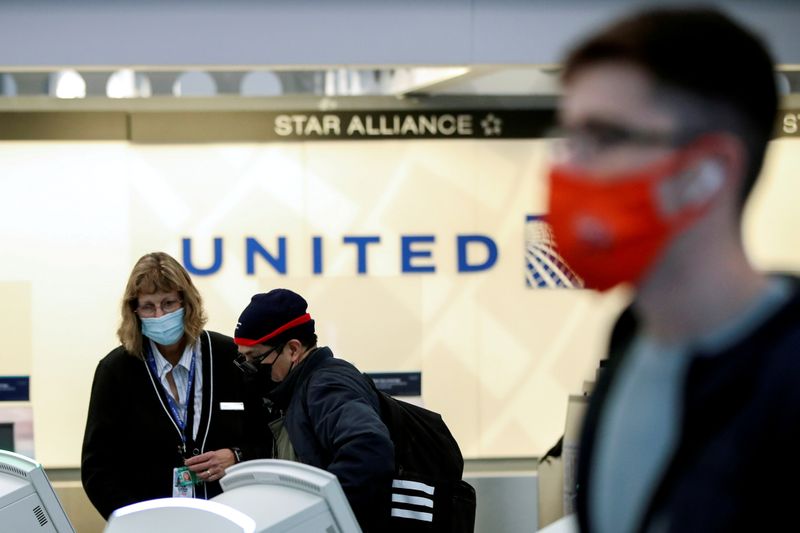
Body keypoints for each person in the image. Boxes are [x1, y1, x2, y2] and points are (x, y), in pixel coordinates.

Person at [546, 7, 800, 533]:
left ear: (708, 173)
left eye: (606, 138)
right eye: (570, 138)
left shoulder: (786, 376)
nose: (569, 168)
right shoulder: (630, 343)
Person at [81, 252, 265, 519]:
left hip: (230, 517)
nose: (159, 315)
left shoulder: (229, 358)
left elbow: (266, 439)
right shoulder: (116, 371)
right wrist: (138, 523)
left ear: (187, 303)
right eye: (148, 306)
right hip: (151, 522)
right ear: (134, 310)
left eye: (168, 303)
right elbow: (97, 469)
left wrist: (237, 456)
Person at [232, 288, 394, 532]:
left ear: (293, 350)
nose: (249, 368)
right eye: (243, 358)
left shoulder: (327, 386)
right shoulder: (293, 390)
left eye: (255, 358)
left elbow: (369, 447)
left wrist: (318, 518)